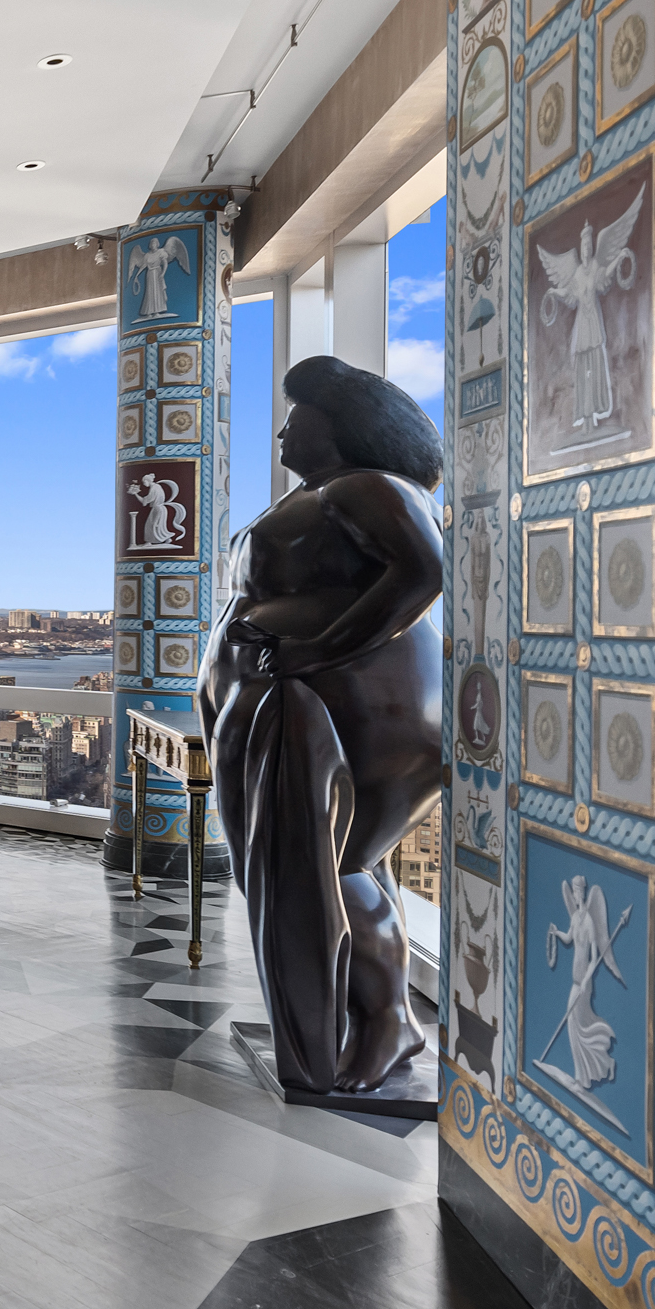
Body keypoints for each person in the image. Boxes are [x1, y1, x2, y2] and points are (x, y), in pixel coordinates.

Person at [202, 357, 446, 1095]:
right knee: (323, 868)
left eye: (297, 413)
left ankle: (383, 1025)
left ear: (339, 425)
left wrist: (314, 651)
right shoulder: (321, 494)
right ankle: (360, 1019)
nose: (283, 426)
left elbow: (422, 572)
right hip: (299, 707)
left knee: (337, 866)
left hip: (351, 712)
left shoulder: (367, 488)